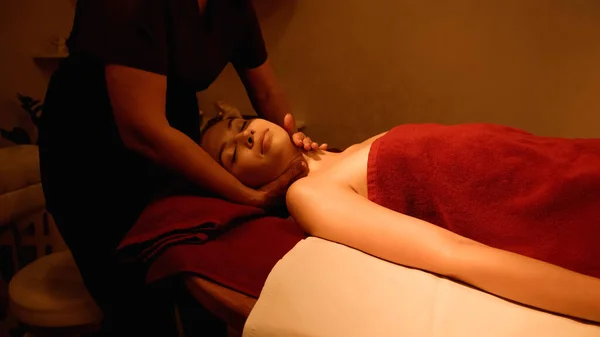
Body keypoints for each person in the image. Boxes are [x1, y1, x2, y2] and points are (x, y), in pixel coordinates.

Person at [37, 0, 325, 335]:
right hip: (92, 163)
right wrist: (251, 197)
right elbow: (144, 132)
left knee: (199, 293)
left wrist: (296, 153)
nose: (246, 135)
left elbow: (266, 90)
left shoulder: (231, 7)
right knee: (138, 311)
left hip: (177, 148)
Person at [200, 106, 600, 323]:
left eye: (241, 123)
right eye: (232, 153)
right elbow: (451, 254)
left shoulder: (344, 153)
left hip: (557, 163)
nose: (246, 134)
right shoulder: (307, 196)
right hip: (548, 209)